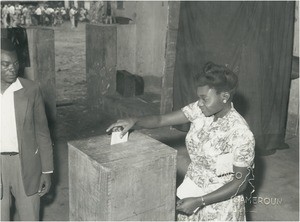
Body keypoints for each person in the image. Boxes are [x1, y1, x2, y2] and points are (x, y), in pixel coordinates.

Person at [107, 62, 255, 221]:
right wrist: (135, 121)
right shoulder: (200, 111)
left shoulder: (240, 133)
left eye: (204, 98)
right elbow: (161, 119)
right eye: (199, 97)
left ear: (224, 96)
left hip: (219, 206)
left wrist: (200, 201)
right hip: (191, 191)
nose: (199, 103)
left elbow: (241, 183)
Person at [0, 38, 54, 221]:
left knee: (30, 216)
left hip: (27, 164)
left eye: (15, 63)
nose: (12, 69)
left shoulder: (31, 90)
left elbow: (43, 133)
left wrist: (47, 170)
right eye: (5, 64)